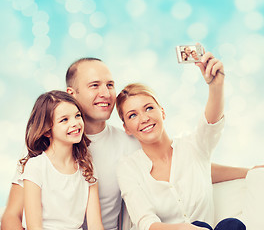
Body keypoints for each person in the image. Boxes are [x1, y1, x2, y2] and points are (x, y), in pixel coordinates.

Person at [1, 57, 252, 230]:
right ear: (71, 93)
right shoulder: (44, 150)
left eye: (110, 84)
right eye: (94, 85)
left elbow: (186, 166)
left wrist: (249, 172)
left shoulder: (130, 142)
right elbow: (12, 216)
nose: (106, 92)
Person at [115, 52, 246, 230]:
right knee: (201, 225)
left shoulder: (193, 147)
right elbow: (146, 222)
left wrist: (216, 86)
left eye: (149, 108)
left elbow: (211, 124)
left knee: (231, 226)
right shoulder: (128, 168)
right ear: (127, 128)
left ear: (162, 112)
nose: (144, 118)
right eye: (132, 115)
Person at [18, 90, 104, 230]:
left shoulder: (87, 167)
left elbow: (95, 224)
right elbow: (35, 227)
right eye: (64, 120)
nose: (75, 123)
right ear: (46, 131)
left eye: (77, 116)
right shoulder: (36, 167)